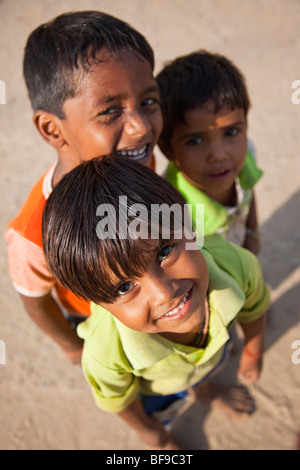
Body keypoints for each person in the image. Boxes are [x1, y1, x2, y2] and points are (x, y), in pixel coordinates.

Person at [42, 156, 270, 450]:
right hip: (156, 390)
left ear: (188, 226)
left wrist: (252, 351)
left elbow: (255, 306)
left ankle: (205, 390)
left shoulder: (234, 265)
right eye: (125, 287)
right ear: (99, 304)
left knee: (211, 366)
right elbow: (118, 399)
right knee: (160, 414)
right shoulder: (105, 352)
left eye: (164, 251)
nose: (164, 293)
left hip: (214, 354)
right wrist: (153, 435)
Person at [5, 11, 163, 364]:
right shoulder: (35, 232)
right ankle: (148, 421)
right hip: (97, 320)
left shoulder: (133, 160)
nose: (140, 126)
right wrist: (74, 346)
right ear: (52, 129)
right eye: (110, 112)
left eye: (148, 102)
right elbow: (34, 299)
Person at [156, 50, 263, 255]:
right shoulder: (171, 210)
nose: (219, 155)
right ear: (167, 148)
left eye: (231, 132)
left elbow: (248, 190)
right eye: (195, 140)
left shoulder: (245, 153)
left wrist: (253, 234)